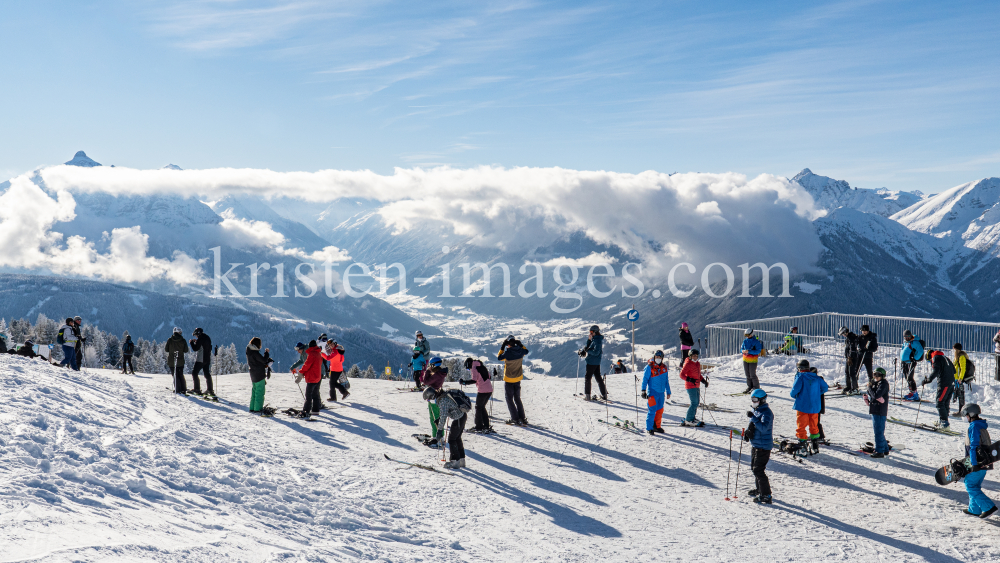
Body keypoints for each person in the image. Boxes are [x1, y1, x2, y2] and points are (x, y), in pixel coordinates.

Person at [959, 404, 997, 518]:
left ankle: (988, 507)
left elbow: (973, 446)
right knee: (974, 485)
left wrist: (974, 464)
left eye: (966, 415)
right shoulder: (981, 426)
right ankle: (974, 509)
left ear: (970, 414)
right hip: (985, 463)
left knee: (969, 485)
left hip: (976, 463)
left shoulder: (974, 427)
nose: (966, 418)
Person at [423, 386, 469, 469]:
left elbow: (444, 416)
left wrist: (439, 431)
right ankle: (461, 460)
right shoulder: (443, 396)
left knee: (452, 439)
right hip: (462, 416)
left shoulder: (442, 401)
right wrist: (439, 419)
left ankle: (455, 461)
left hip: (459, 418)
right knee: (457, 438)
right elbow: (447, 410)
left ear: (432, 396)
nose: (429, 401)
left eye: (428, 399)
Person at [790, 359, 829, 454]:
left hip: (802, 406)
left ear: (799, 368)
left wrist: (796, 395)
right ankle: (815, 444)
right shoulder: (817, 378)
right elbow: (825, 387)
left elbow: (794, 391)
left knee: (801, 425)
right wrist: (817, 393)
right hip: (815, 407)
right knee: (813, 424)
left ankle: (802, 443)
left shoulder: (800, 377)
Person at [743, 388, 774, 504]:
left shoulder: (767, 413)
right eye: (752, 399)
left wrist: (753, 418)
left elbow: (763, 428)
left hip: (764, 447)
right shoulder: (757, 410)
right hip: (756, 445)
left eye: (755, 399)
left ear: (762, 400)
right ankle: (759, 489)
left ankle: (766, 495)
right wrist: (748, 433)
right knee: (754, 469)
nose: (753, 402)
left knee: (758, 470)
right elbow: (753, 426)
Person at [498, 336, 530, 425]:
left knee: (509, 399)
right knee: (517, 398)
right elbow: (526, 351)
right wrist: (521, 345)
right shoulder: (520, 352)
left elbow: (499, 357)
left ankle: (515, 418)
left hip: (509, 379)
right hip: (518, 378)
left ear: (508, 344)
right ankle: (522, 418)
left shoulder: (507, 354)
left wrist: (502, 347)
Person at [640, 350, 671, 435]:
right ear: (654, 357)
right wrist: (643, 390)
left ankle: (657, 426)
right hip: (653, 392)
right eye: (656, 357)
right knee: (652, 410)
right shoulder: (650, 367)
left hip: (661, 393)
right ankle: (649, 428)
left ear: (662, 358)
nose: (658, 359)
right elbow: (645, 379)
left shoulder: (664, 368)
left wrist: (668, 391)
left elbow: (666, 381)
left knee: (660, 410)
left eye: (659, 357)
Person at [922, 349, 956, 429]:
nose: (931, 363)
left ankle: (944, 423)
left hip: (944, 383)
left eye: (929, 361)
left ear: (929, 357)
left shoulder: (935, 358)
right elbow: (954, 370)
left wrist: (928, 380)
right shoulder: (945, 358)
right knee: (945, 402)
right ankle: (944, 420)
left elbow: (935, 371)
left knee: (939, 402)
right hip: (951, 382)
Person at [460, 357, 494, 433]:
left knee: (478, 407)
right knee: (481, 407)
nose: (469, 370)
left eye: (468, 368)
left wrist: (464, 382)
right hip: (489, 390)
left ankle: (478, 427)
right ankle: (486, 426)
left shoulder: (474, 367)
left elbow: (473, 380)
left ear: (469, 364)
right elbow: (489, 376)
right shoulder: (481, 366)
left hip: (483, 390)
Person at [864, 367, 890, 458]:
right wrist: (870, 387)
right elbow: (872, 394)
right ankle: (885, 449)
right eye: (874, 374)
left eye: (877, 375)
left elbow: (876, 395)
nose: (875, 377)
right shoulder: (877, 383)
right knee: (879, 431)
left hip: (880, 411)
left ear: (882, 376)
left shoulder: (883, 384)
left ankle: (880, 451)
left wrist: (869, 388)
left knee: (878, 432)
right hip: (875, 410)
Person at [422, 357, 449, 442]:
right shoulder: (440, 373)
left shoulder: (437, 375)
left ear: (434, 365)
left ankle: (435, 437)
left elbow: (425, 381)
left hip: (433, 398)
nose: (430, 366)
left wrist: (427, 371)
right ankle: (440, 436)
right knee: (438, 418)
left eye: (431, 365)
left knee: (434, 418)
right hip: (438, 396)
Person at [678, 349, 707, 427]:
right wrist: (689, 379)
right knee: (694, 403)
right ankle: (688, 420)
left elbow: (698, 375)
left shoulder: (697, 364)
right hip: (690, 386)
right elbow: (681, 375)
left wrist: (703, 381)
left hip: (697, 385)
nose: (695, 357)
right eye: (693, 356)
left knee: (696, 403)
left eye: (696, 356)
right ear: (690, 356)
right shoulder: (688, 364)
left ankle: (692, 417)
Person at [578, 325, 608, 401]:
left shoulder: (597, 341)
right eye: (590, 332)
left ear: (595, 332)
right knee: (598, 377)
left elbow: (596, 352)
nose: (590, 333)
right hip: (595, 361)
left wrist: (587, 350)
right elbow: (589, 347)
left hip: (592, 362)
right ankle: (604, 395)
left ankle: (588, 396)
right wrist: (589, 339)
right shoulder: (595, 339)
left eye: (591, 332)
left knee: (588, 378)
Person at [299, 340, 324, 419]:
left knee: (308, 395)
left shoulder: (312, 354)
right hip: (318, 377)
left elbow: (307, 365)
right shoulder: (318, 354)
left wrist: (301, 372)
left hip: (312, 378)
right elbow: (315, 366)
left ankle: (306, 411)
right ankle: (315, 410)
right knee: (315, 394)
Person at [246, 337, 272, 415]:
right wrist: (266, 353)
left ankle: (252, 408)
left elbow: (257, 362)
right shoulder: (255, 352)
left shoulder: (249, 351)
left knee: (254, 391)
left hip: (253, 374)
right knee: (260, 392)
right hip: (259, 374)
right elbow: (263, 360)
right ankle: (258, 409)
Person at [188, 328, 213, 396]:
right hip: (207, 359)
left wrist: (191, 343)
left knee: (194, 373)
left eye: (196, 335)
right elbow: (205, 346)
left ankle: (197, 389)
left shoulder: (200, 338)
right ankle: (210, 390)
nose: (196, 336)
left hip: (201, 359)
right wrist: (197, 342)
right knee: (207, 374)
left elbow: (195, 349)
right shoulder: (207, 337)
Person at [901, 330, 924, 401]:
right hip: (905, 362)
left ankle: (915, 394)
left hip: (910, 362)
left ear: (910, 335)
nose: (906, 338)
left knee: (910, 378)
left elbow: (920, 351)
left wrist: (915, 359)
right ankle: (912, 392)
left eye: (908, 336)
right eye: (905, 336)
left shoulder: (915, 342)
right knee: (907, 377)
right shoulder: (906, 342)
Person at [165, 327, 190, 394]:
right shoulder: (183, 340)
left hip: (171, 361)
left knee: (175, 375)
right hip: (180, 360)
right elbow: (186, 350)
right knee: (180, 375)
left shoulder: (170, 340)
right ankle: (183, 389)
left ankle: (177, 389)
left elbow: (166, 349)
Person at [839, 326, 862, 395]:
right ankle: (848, 386)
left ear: (846, 332)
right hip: (848, 358)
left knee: (852, 373)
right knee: (847, 372)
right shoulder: (848, 338)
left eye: (843, 333)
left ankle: (855, 388)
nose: (843, 335)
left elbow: (853, 349)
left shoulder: (851, 337)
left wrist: (850, 357)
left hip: (852, 358)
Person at [740, 329, 763, 393]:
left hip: (753, 360)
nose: (747, 336)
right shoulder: (745, 341)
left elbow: (758, 350)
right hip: (745, 359)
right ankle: (750, 386)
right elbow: (741, 348)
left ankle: (756, 387)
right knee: (747, 374)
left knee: (752, 374)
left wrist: (749, 351)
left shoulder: (756, 342)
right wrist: (742, 351)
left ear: (751, 334)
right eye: (746, 335)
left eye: (748, 335)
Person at [952, 343, 973, 416]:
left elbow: (963, 368)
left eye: (954, 349)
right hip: (956, 379)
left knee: (961, 395)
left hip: (959, 379)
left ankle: (961, 411)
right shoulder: (957, 357)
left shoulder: (961, 357)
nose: (953, 351)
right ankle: (961, 411)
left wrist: (960, 378)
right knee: (958, 394)